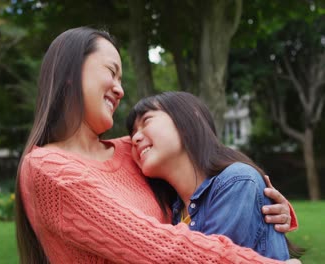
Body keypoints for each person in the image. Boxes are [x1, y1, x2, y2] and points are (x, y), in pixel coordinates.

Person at [15, 26, 299, 263]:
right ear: (69, 73)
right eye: (111, 72)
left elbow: (202, 175)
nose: (120, 89)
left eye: (121, 79)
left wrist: (262, 203)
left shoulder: (132, 152)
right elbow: (159, 248)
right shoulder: (50, 169)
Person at [127, 91, 302, 260]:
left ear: (189, 121)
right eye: (132, 133)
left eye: (146, 121)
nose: (134, 139)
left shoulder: (237, 181)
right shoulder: (174, 210)